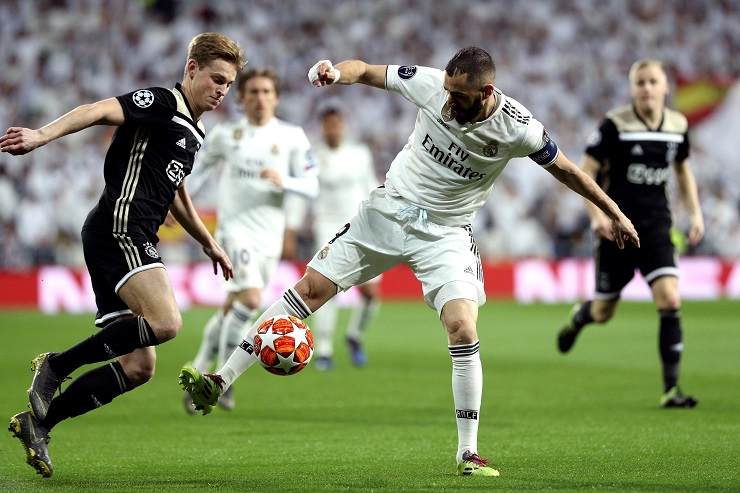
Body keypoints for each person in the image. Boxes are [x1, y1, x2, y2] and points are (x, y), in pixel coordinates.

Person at [179, 47, 639, 477]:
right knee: (309, 291)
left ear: (486, 93)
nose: (447, 102)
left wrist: (613, 211)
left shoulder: (519, 128)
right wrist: (337, 72)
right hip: (388, 211)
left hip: (445, 234)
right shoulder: (432, 84)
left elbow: (566, 169)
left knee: (463, 327)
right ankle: (219, 380)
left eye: (458, 97)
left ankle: (467, 451)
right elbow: (365, 71)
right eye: (447, 91)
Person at [1, 32, 245, 478]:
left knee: (138, 366)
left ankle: (39, 423)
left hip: (127, 234)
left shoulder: (194, 128)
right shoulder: (161, 102)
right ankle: (56, 365)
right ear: (191, 69)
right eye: (216, 79)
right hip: (120, 226)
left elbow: (175, 190)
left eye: (228, 84)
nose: (222, 91)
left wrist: (207, 240)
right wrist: (41, 135)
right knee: (167, 323)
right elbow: (96, 110)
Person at [556, 59, 704, 408]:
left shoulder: (678, 126)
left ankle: (671, 389)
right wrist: (596, 217)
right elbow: (585, 172)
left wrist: (695, 212)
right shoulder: (615, 126)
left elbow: (683, 170)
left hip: (656, 229)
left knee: (670, 299)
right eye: (640, 82)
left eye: (653, 81)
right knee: (604, 313)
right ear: (632, 88)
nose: (647, 88)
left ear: (666, 87)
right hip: (616, 231)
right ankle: (581, 317)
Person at [182, 68, 318, 413]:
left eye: (266, 91)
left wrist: (284, 180)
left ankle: (200, 366)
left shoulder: (292, 136)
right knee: (250, 298)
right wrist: (176, 203)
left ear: (276, 97)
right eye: (253, 91)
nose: (260, 97)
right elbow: (197, 173)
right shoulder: (227, 134)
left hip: (269, 234)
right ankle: (223, 383)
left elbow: (311, 185)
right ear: (241, 98)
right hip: (234, 230)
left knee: (234, 306)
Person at [311, 106, 380, 370]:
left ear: (343, 125)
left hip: (360, 226)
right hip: (326, 226)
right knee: (326, 289)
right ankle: (325, 350)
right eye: (327, 124)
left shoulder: (360, 154)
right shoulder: (314, 156)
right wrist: (292, 226)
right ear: (322, 127)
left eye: (336, 124)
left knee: (371, 293)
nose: (332, 129)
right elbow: (304, 193)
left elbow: (371, 186)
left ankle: (354, 336)